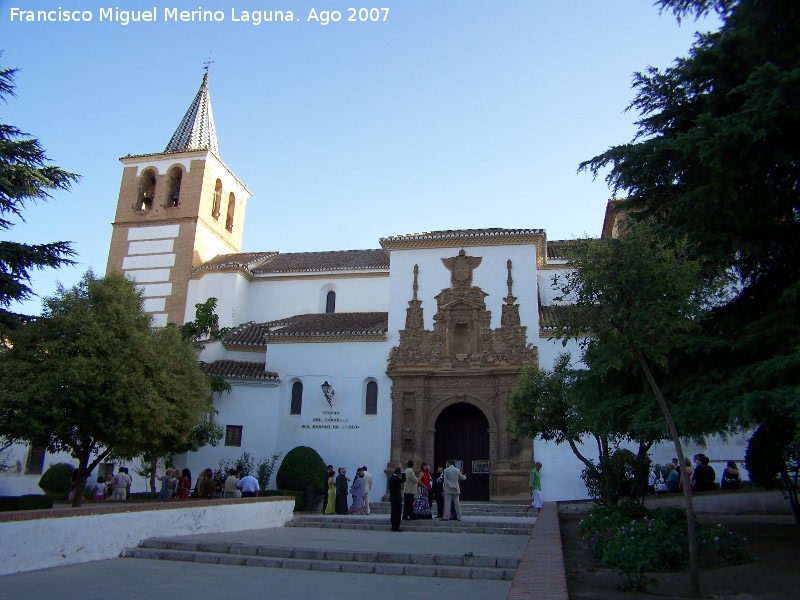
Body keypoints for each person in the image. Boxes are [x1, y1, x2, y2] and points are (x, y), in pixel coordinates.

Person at [388, 467, 404, 531]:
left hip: (393, 498)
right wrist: (403, 473)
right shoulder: (396, 478)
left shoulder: (392, 478)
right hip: (397, 498)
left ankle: (393, 526)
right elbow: (403, 480)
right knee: (397, 513)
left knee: (393, 512)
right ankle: (396, 526)